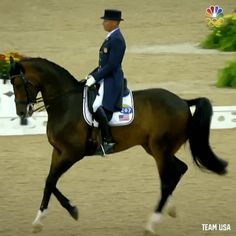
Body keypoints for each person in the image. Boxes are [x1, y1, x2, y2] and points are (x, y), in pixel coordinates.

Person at [85, 9, 126, 155]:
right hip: (105, 76)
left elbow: (112, 65)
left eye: (106, 21)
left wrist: (95, 78)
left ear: (114, 23)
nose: (103, 23)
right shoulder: (110, 38)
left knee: (96, 106)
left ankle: (108, 141)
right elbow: (104, 64)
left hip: (112, 80)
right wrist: (91, 75)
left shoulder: (117, 40)